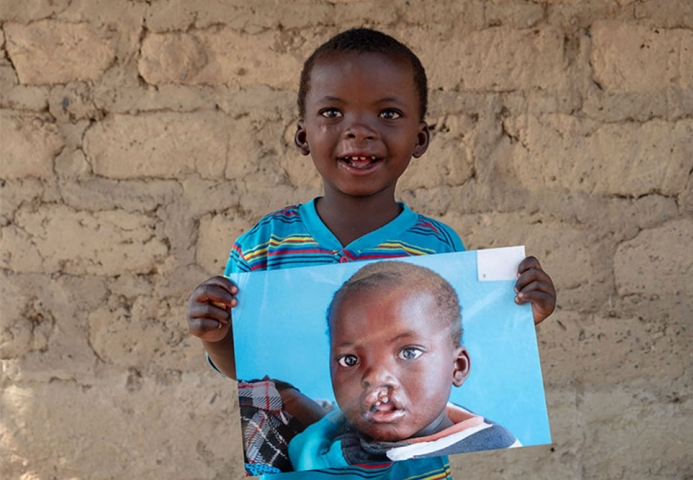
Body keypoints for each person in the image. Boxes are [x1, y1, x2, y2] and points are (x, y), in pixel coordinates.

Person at [187, 27, 556, 479]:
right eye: (331, 112)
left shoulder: (437, 248)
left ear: (419, 138)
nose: (358, 130)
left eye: (387, 113)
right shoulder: (263, 247)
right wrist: (216, 334)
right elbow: (245, 371)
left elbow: (465, 354)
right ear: (303, 134)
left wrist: (516, 318)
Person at [289, 261, 521, 471]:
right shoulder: (334, 428)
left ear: (457, 367)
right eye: (350, 360)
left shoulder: (491, 447)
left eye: (409, 352)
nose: (376, 376)